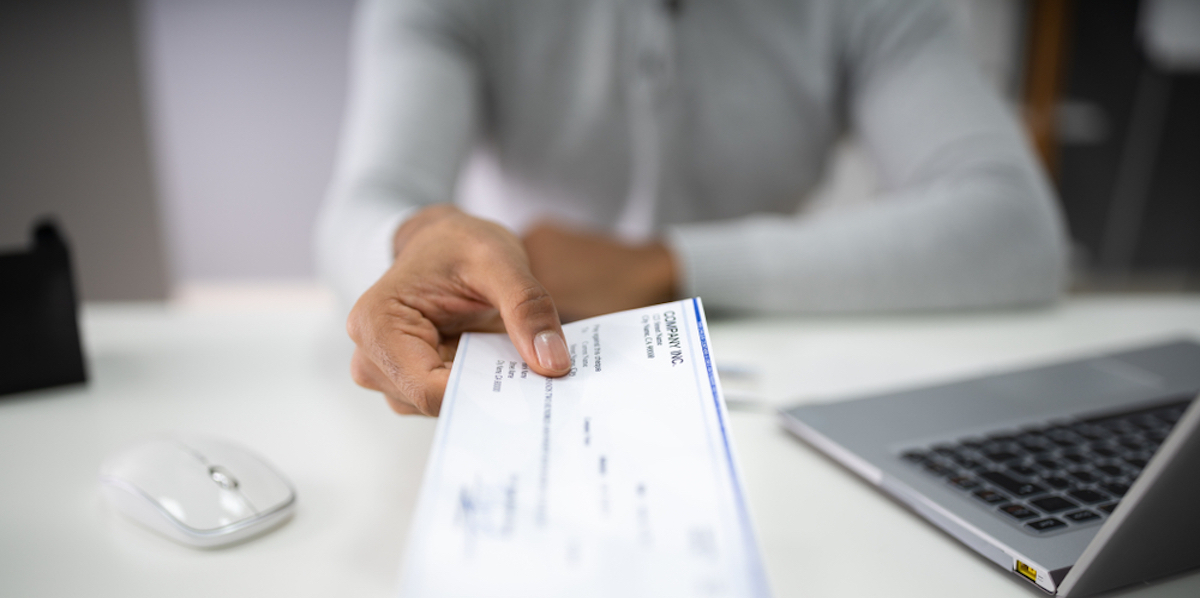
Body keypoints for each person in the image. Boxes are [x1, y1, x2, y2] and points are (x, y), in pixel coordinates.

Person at [315, 0, 1067, 416]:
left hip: (767, 368)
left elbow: (1014, 227)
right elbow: (365, 204)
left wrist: (666, 266)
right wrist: (419, 237)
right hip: (510, 354)